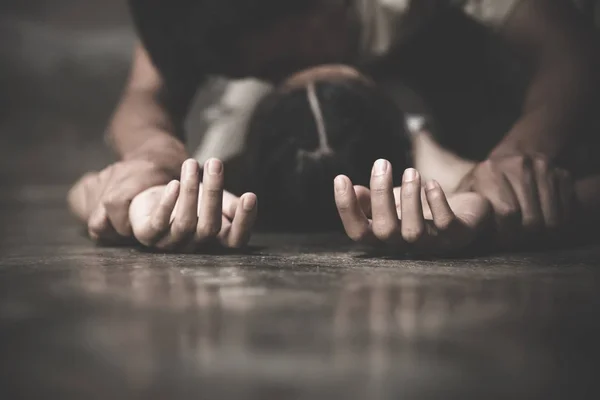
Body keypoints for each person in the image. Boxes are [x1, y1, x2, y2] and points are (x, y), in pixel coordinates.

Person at [70, 0, 599, 250]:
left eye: (274, 68)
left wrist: (521, 156)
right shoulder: (199, 21)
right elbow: (144, 95)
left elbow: (568, 47)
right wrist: (150, 157)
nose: (281, 79)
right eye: (245, 74)